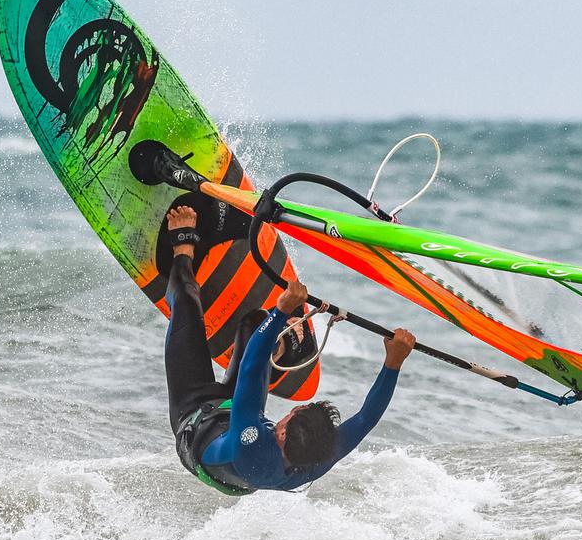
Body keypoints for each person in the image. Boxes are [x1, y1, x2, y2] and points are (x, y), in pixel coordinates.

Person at [161, 204, 415, 494]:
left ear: (281, 432)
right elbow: (365, 418)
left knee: (187, 303)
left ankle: (182, 250)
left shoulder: (252, 441)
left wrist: (282, 310)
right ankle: (280, 347)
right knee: (255, 323)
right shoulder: (320, 455)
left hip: (194, 416)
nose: (297, 408)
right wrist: (393, 364)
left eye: (295, 413)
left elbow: (251, 369)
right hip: (235, 420)